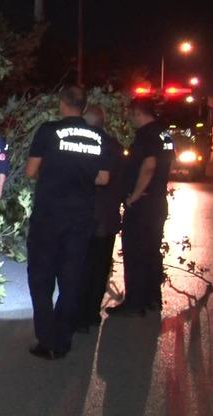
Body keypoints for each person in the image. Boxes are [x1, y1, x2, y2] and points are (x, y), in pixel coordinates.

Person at [24, 86, 110, 360]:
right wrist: (80, 179)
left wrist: (54, 177)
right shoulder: (99, 137)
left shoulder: (48, 131)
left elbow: (30, 171)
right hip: (81, 218)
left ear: (62, 104)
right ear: (84, 108)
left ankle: (45, 337)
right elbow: (104, 178)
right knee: (71, 279)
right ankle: (61, 340)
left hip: (49, 216)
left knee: (41, 276)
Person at [107, 97, 174, 317]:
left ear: (138, 113)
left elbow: (149, 165)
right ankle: (152, 297)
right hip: (157, 202)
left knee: (135, 252)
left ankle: (135, 302)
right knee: (151, 251)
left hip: (143, 204)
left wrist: (133, 197)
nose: (129, 119)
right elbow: (168, 162)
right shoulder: (165, 134)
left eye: (131, 114)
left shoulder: (146, 135)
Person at [75, 105, 124, 333]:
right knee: (100, 266)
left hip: (86, 216)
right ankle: (92, 314)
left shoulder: (83, 143)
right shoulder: (115, 146)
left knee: (82, 266)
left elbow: (98, 178)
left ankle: (80, 315)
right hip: (108, 217)